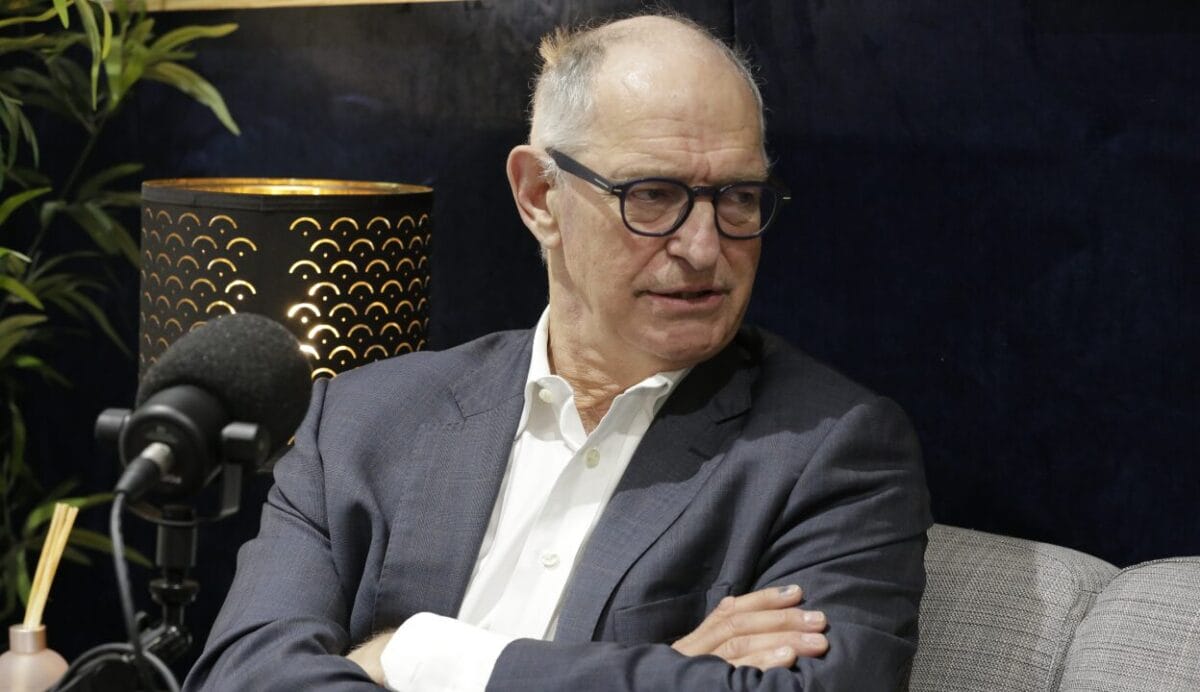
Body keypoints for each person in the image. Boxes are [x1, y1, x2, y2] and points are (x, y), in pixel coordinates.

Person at [184, 12, 930, 692]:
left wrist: (417, 655)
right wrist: (668, 670)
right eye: (652, 195)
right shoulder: (362, 420)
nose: (705, 248)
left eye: (737, 197)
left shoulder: (832, 451)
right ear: (540, 195)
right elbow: (243, 678)